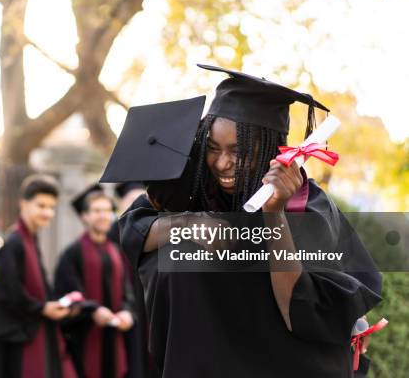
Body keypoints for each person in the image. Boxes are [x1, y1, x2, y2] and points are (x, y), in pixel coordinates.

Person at [99, 65, 383, 378]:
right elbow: (129, 230)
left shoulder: (308, 209)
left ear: (272, 149)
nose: (222, 163)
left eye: (240, 151)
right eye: (213, 148)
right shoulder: (191, 194)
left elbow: (301, 311)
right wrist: (187, 224)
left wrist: (274, 213)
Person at [0, 174, 76, 378]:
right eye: (41, 205)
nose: (47, 212)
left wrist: (51, 305)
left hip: (32, 331)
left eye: (51, 207)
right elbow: (7, 294)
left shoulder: (30, 239)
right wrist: (42, 308)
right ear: (23, 204)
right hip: (18, 342)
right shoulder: (14, 243)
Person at [55, 185, 135, 378]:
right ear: (85, 216)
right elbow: (67, 295)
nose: (103, 216)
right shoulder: (72, 253)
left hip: (114, 338)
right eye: (97, 211)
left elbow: (127, 292)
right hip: (84, 339)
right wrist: (92, 310)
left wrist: (127, 312)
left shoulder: (115, 251)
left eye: (108, 211)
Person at [107, 182, 152, 378]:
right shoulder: (111, 233)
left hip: (149, 297)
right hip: (126, 302)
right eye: (131, 200)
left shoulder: (155, 229)